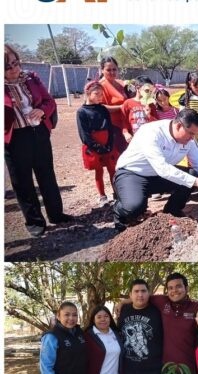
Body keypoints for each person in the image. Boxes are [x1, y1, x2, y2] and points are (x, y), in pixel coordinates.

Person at [112, 109, 198, 230]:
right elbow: (162, 168)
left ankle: (172, 210)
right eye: (191, 134)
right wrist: (196, 182)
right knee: (134, 207)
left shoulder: (188, 139)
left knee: (193, 174)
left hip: (158, 176)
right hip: (132, 174)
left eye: (195, 134)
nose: (192, 138)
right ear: (179, 126)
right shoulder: (151, 132)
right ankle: (118, 211)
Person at [5, 44, 72, 237]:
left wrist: (42, 110)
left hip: (38, 133)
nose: (14, 69)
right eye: (7, 67)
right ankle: (35, 223)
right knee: (22, 182)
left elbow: (49, 101)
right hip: (14, 139)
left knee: (47, 175)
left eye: (15, 63)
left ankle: (56, 214)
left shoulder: (31, 78)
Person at [77, 81, 119, 208]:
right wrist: (97, 147)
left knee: (113, 170)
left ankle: (117, 193)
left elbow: (110, 128)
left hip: (107, 143)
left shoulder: (103, 109)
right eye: (96, 94)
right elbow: (84, 135)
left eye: (102, 94)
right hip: (94, 146)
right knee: (99, 171)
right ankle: (102, 196)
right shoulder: (82, 112)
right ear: (88, 94)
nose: (100, 97)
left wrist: (110, 144)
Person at [98, 56, 129, 153]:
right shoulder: (100, 86)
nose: (112, 72)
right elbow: (100, 107)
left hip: (126, 123)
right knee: (120, 154)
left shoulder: (122, 83)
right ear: (102, 70)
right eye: (108, 70)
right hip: (113, 126)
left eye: (114, 69)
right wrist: (120, 107)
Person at [120, 76, 156, 145]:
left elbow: (156, 123)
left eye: (151, 91)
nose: (149, 93)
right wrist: (126, 133)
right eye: (147, 90)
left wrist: (149, 115)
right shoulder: (128, 103)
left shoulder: (151, 105)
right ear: (137, 88)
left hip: (149, 140)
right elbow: (123, 121)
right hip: (133, 141)